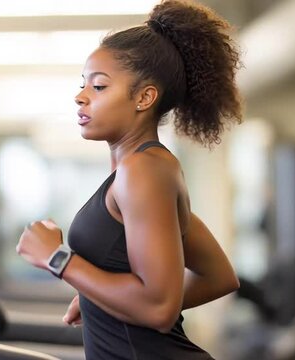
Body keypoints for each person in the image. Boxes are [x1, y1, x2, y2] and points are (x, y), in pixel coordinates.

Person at [16, 0, 242, 358]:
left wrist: (58, 260)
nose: (80, 97)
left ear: (144, 97)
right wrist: (105, 298)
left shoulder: (143, 171)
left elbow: (158, 308)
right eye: (83, 85)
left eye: (99, 87)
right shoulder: (142, 169)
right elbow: (219, 275)